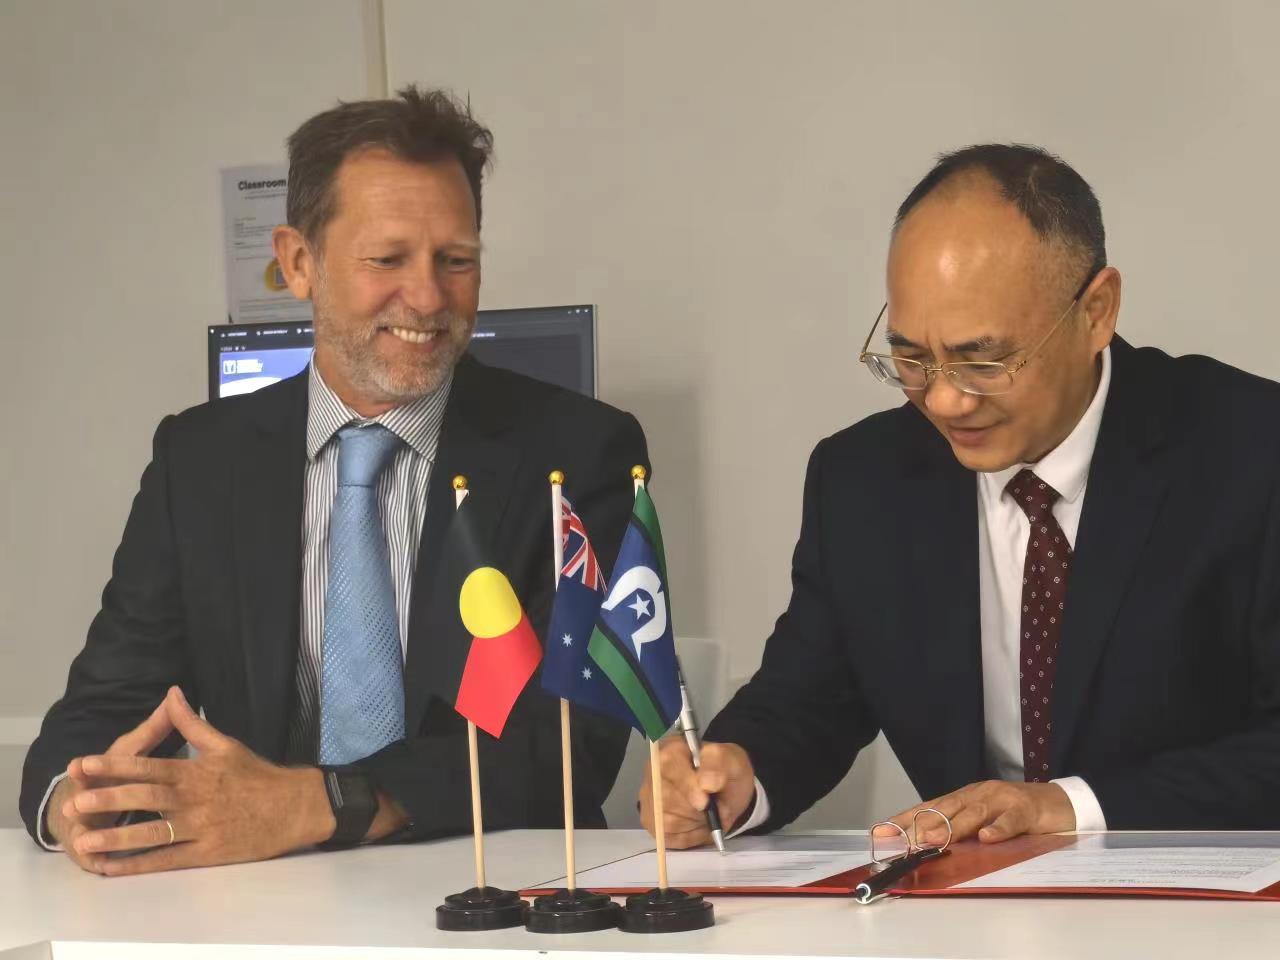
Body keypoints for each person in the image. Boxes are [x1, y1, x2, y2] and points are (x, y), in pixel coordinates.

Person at [21, 86, 648, 875]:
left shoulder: (579, 451)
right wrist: (78, 804)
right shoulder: (201, 461)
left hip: (494, 887)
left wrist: (322, 802)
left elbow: (569, 742)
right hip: (264, 898)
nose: (428, 297)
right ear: (298, 262)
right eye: (388, 259)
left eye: (456, 260)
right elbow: (104, 710)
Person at [643, 143, 1280, 848]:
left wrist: (1066, 807)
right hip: (973, 904)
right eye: (912, 358)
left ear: (1096, 312)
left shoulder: (1252, 454)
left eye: (984, 360)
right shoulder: (863, 480)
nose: (945, 402)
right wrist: (734, 775)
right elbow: (808, 700)